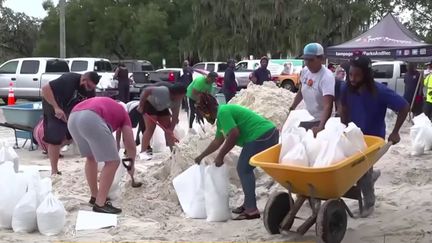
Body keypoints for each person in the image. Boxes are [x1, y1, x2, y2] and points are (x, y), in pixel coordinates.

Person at [339, 55, 409, 217]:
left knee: (362, 171)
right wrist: (342, 125)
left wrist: (396, 131)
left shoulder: (380, 91)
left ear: (366, 75)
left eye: (357, 75)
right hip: (352, 135)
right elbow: (343, 106)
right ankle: (372, 175)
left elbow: (404, 107)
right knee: (351, 168)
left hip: (373, 139)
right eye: (350, 75)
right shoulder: (346, 88)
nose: (353, 79)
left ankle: (369, 203)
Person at [194, 94, 279, 220]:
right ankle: (248, 204)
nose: (204, 117)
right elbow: (218, 141)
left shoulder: (223, 112)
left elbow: (233, 134)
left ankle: (251, 210)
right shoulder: (221, 117)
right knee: (244, 169)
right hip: (261, 135)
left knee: (243, 169)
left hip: (263, 135)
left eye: (203, 113)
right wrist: (201, 156)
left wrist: (220, 156)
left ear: (207, 110)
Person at [68, 97, 136, 214]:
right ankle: (100, 203)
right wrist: (132, 165)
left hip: (73, 117)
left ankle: (94, 196)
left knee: (91, 158)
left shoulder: (109, 106)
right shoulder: (124, 114)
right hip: (91, 118)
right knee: (113, 161)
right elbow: (130, 143)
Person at [41, 72, 99, 175]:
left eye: (92, 87)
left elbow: (90, 106)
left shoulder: (90, 91)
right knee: (55, 135)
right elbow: (45, 89)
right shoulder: (68, 80)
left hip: (68, 108)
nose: (90, 89)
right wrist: (56, 107)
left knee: (72, 133)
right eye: (89, 86)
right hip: (52, 102)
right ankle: (54, 170)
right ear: (83, 80)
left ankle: (53, 147)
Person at [289, 43, 335, 134]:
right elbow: (301, 91)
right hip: (309, 116)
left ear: (321, 59)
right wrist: (292, 107)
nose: (307, 63)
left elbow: (328, 106)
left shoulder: (326, 77)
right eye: (305, 59)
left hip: (321, 119)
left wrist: (321, 127)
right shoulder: (305, 71)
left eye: (311, 60)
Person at [138, 83, 186, 155]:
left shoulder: (178, 101)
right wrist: (141, 105)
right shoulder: (163, 91)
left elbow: (175, 115)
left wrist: (171, 129)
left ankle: (173, 152)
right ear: (177, 94)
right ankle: (143, 152)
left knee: (168, 129)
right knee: (150, 128)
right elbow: (146, 90)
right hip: (150, 103)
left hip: (162, 107)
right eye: (182, 95)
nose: (183, 97)